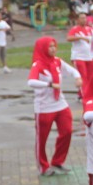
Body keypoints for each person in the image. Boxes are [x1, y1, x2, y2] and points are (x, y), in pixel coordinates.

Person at [27, 37, 83, 177]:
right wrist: (49, 85)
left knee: (67, 131)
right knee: (42, 138)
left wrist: (78, 78)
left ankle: (58, 161)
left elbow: (72, 71)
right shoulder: (38, 64)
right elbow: (31, 81)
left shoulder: (57, 61)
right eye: (49, 46)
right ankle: (43, 166)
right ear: (43, 48)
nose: (53, 49)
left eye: (54, 46)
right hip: (44, 106)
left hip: (59, 102)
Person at [67, 12, 93, 88]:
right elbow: (69, 38)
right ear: (78, 20)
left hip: (88, 56)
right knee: (83, 76)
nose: (84, 20)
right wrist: (80, 37)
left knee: (90, 76)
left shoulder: (88, 29)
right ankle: (83, 95)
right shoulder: (75, 29)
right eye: (82, 18)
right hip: (78, 57)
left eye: (85, 18)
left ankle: (89, 93)